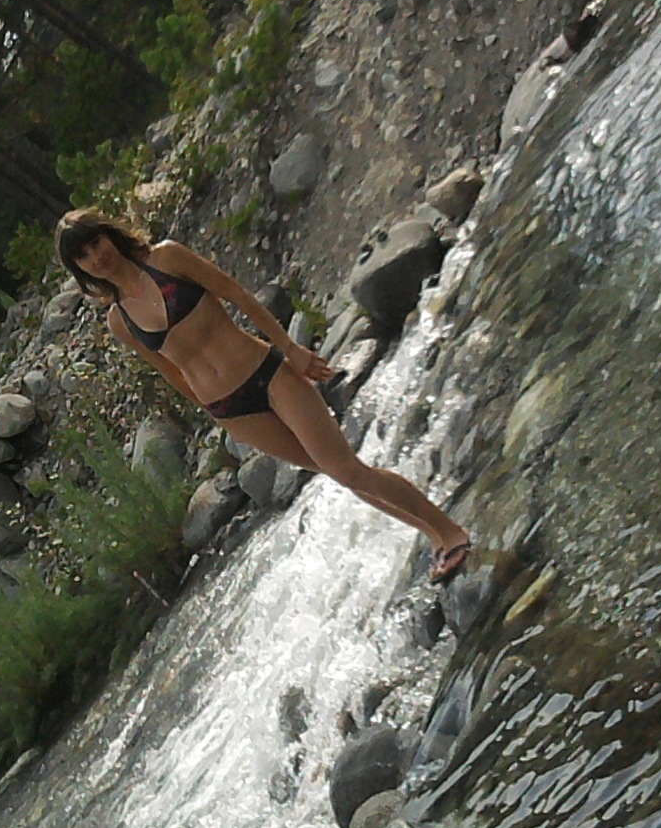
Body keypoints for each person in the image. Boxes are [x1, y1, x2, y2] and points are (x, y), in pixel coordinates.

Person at [55, 208, 472, 583]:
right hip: (232, 410)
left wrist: (290, 348)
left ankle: (450, 531)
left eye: (96, 242)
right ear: (80, 270)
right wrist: (214, 414)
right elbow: (171, 372)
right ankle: (434, 535)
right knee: (336, 474)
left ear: (110, 235)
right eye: (83, 256)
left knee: (346, 468)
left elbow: (237, 294)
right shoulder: (120, 321)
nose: (96, 256)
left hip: (267, 374)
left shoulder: (167, 258)